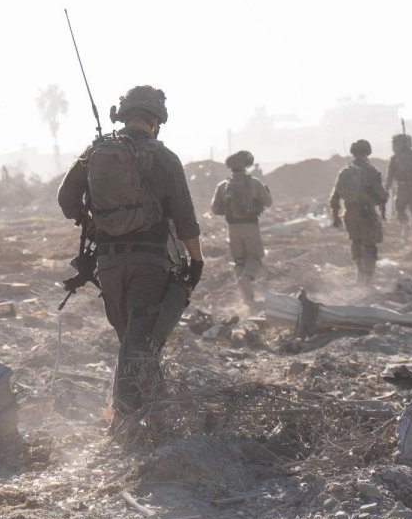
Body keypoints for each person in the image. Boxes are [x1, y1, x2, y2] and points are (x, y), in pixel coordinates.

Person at [57, 85, 203, 434]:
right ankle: (127, 427)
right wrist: (196, 261)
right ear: (157, 119)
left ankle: (151, 415)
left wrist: (96, 224)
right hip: (151, 263)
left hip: (108, 263)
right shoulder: (163, 157)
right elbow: (185, 218)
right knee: (142, 344)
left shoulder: (95, 152)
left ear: (121, 115)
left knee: (133, 342)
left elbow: (65, 199)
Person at [210, 150, 272, 306]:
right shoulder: (254, 183)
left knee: (239, 261)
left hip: (232, 228)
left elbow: (215, 209)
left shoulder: (223, 186)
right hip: (250, 226)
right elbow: (268, 202)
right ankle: (246, 279)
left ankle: (248, 298)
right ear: (246, 166)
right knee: (255, 258)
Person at [330, 139, 388, 287]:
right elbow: (382, 195)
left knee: (356, 242)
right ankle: (366, 280)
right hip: (366, 213)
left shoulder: (344, 172)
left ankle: (359, 275)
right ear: (367, 152)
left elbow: (335, 196)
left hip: (349, 214)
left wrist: (335, 216)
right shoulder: (371, 171)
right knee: (369, 246)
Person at [385, 134, 412, 242]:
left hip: (402, 188)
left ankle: (405, 224)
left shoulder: (394, 158)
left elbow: (390, 175)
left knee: (400, 209)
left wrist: (386, 188)